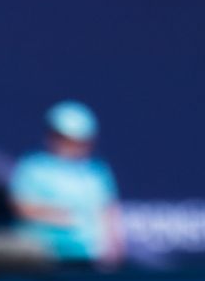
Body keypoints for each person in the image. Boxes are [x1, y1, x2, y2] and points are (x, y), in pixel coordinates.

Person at [9, 102, 122, 264]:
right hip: (41, 257)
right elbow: (22, 208)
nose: (72, 146)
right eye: (65, 139)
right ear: (53, 137)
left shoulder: (97, 172)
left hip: (89, 258)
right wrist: (71, 220)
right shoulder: (32, 167)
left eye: (79, 140)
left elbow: (108, 211)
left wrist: (113, 248)